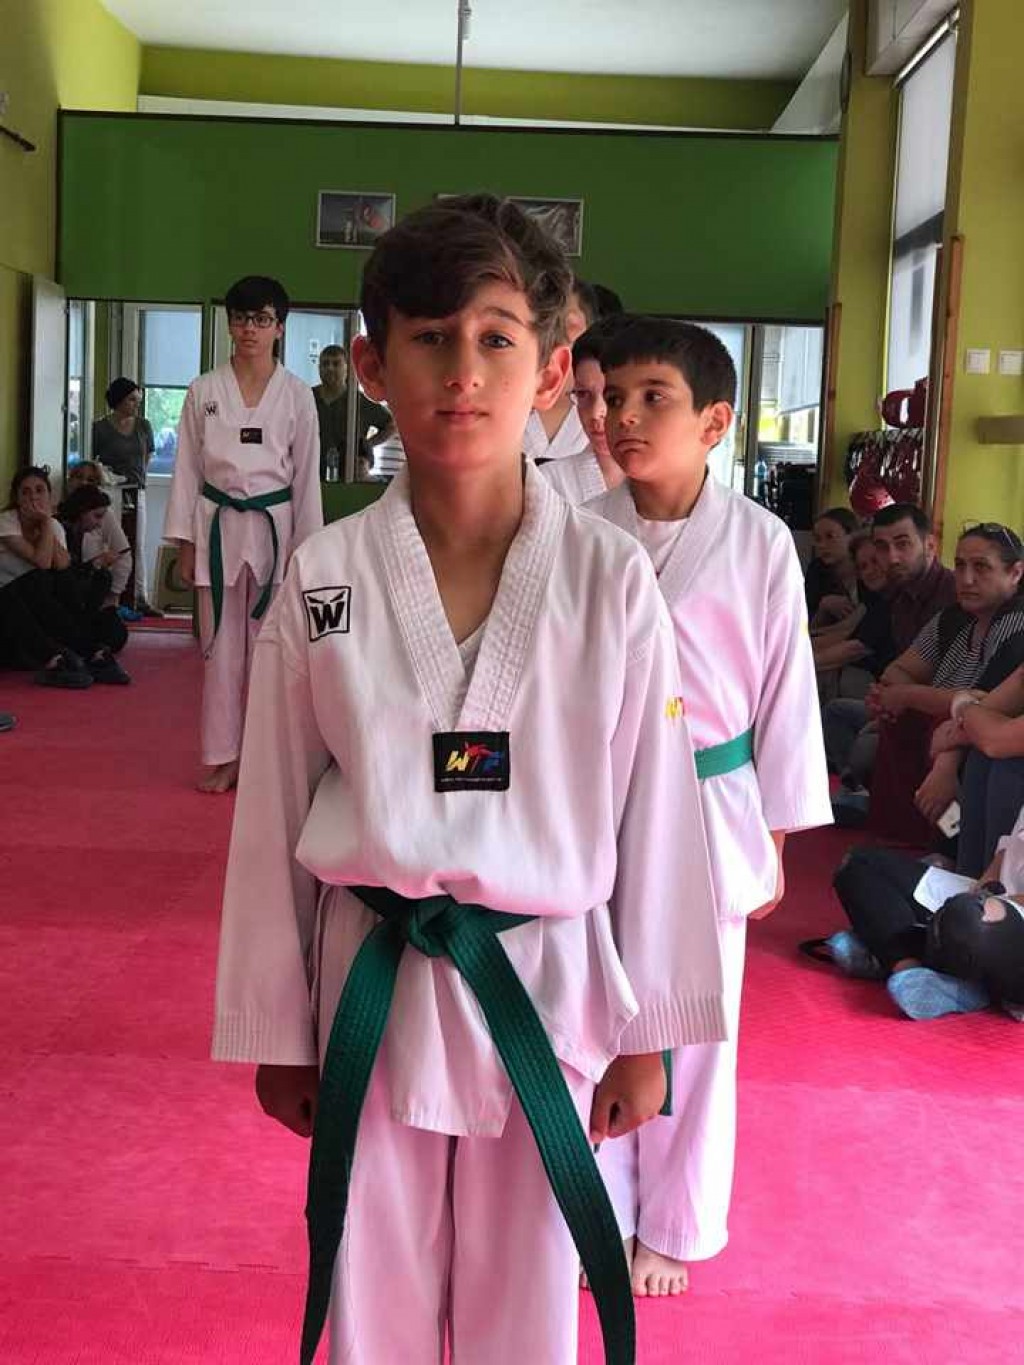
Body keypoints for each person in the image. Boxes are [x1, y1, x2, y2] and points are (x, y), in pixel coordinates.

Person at [212, 196, 725, 1365]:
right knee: (371, 1287)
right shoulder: (327, 576)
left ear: (547, 371)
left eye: (495, 338)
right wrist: (276, 1026)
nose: (462, 371)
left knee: (528, 1300)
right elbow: (274, 806)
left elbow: (656, 810)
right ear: (370, 366)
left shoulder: (606, 578)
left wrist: (649, 1031)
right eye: (429, 337)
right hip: (372, 980)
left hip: (544, 977)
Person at [587, 317, 831, 1297]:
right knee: (596, 1011)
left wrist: (774, 835)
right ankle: (599, 1211)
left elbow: (786, 692)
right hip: (600, 801)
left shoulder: (761, 541)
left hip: (712, 801)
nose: (625, 417)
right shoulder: (577, 531)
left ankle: (676, 1223)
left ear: (715, 422)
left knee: (696, 1026)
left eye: (654, 398)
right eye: (614, 398)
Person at [163, 275, 322, 794]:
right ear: (229, 325)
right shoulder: (204, 391)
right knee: (220, 650)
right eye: (241, 318)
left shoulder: (296, 396)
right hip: (217, 527)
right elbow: (187, 469)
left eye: (262, 319)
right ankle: (223, 756)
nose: (250, 328)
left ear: (280, 327)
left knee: (274, 652)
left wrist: (306, 552)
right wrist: (185, 543)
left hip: (275, 528)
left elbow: (306, 479)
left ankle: (266, 760)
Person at [866, 523, 1024, 848]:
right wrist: (901, 698)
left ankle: (950, 845)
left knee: (947, 743)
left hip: (967, 741)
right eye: (961, 565)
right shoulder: (953, 616)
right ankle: (909, 834)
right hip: (952, 729)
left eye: (981, 567)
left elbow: (985, 704)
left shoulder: (1017, 623)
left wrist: (910, 696)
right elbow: (897, 671)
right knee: (896, 718)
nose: (966, 579)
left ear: (1015, 573)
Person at [815, 822, 1024, 1022]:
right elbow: (1007, 850)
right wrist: (983, 889)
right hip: (993, 899)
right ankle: (911, 970)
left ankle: (884, 949)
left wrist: (984, 902)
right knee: (859, 863)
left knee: (966, 919)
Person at [824, 504, 957, 815]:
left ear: (930, 545)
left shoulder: (952, 599)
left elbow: (960, 691)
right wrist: (886, 695)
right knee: (837, 713)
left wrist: (899, 696)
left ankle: (938, 828)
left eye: (903, 544)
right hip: (905, 705)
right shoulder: (898, 596)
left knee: (865, 749)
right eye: (883, 547)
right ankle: (863, 794)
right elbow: (898, 669)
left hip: (943, 717)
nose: (892, 557)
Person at [0, 467, 129, 686]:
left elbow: (62, 566)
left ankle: (87, 652)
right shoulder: (6, 522)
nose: (33, 497)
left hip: (41, 610)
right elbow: (42, 562)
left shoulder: (54, 525)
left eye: (39, 490)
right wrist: (45, 522)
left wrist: (46, 524)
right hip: (8, 609)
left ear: (49, 495)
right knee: (37, 580)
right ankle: (67, 656)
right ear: (17, 498)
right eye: (25, 492)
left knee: (86, 588)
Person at [91, 377, 162, 617]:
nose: (136, 405)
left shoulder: (144, 426)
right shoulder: (100, 428)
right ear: (119, 400)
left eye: (138, 400)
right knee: (112, 544)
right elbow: (94, 460)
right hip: (110, 492)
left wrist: (138, 478)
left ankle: (139, 598)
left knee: (137, 544)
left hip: (136, 489)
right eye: (132, 400)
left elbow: (147, 455)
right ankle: (109, 597)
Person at [540, 317, 627, 505]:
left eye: (612, 397)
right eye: (582, 394)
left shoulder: (678, 484)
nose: (596, 412)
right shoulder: (548, 483)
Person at [520, 276, 594, 463]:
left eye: (569, 324)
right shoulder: (509, 395)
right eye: (546, 324)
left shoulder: (602, 404)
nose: (556, 334)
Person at [813, 532, 896, 697]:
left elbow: (855, 647)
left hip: (880, 684)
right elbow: (846, 630)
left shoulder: (892, 597)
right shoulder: (875, 596)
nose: (870, 571)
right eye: (863, 567)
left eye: (875, 561)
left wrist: (802, 661)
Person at [312, 343, 394, 480]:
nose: (330, 368)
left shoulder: (358, 401)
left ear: (346, 368)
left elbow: (391, 425)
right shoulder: (307, 398)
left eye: (336, 364)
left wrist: (367, 445)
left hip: (349, 478)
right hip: (311, 477)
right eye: (325, 364)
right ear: (319, 368)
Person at [63, 462, 133, 607]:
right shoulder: (58, 519)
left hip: (93, 588)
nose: (83, 483)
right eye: (78, 477)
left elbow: (123, 553)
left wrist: (113, 595)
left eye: (90, 480)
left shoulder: (105, 515)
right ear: (69, 480)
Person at [805, 506, 859, 622]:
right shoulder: (817, 570)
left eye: (830, 537)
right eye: (818, 539)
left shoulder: (867, 567)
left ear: (851, 536)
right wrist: (823, 606)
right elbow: (805, 625)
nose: (822, 545)